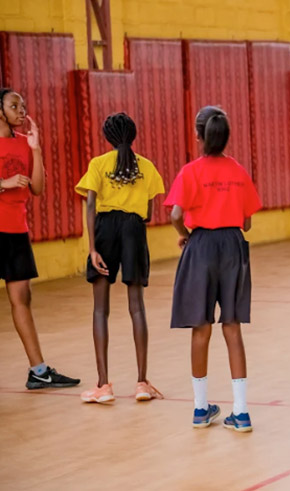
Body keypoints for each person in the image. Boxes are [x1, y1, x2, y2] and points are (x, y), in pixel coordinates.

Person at [165, 106, 261, 431]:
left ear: (198, 135)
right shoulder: (238, 171)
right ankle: (241, 412)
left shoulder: (190, 171)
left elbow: (175, 214)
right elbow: (247, 222)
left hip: (201, 246)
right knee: (232, 327)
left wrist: (185, 235)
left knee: (200, 328)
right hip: (233, 246)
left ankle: (200, 408)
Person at [75, 113, 165, 404]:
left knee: (100, 310)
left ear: (108, 137)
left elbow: (90, 205)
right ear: (133, 135)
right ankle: (142, 383)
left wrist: (93, 249)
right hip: (133, 230)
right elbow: (148, 213)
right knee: (137, 308)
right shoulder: (147, 167)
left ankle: (103, 385)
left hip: (104, 230)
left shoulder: (98, 164)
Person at [0, 87, 80, 390]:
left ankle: (39, 371)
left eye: (22, 105)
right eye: (14, 106)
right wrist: (4, 183)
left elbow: (37, 189)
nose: (21, 110)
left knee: (22, 300)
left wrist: (35, 149)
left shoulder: (24, 142)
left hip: (16, 230)